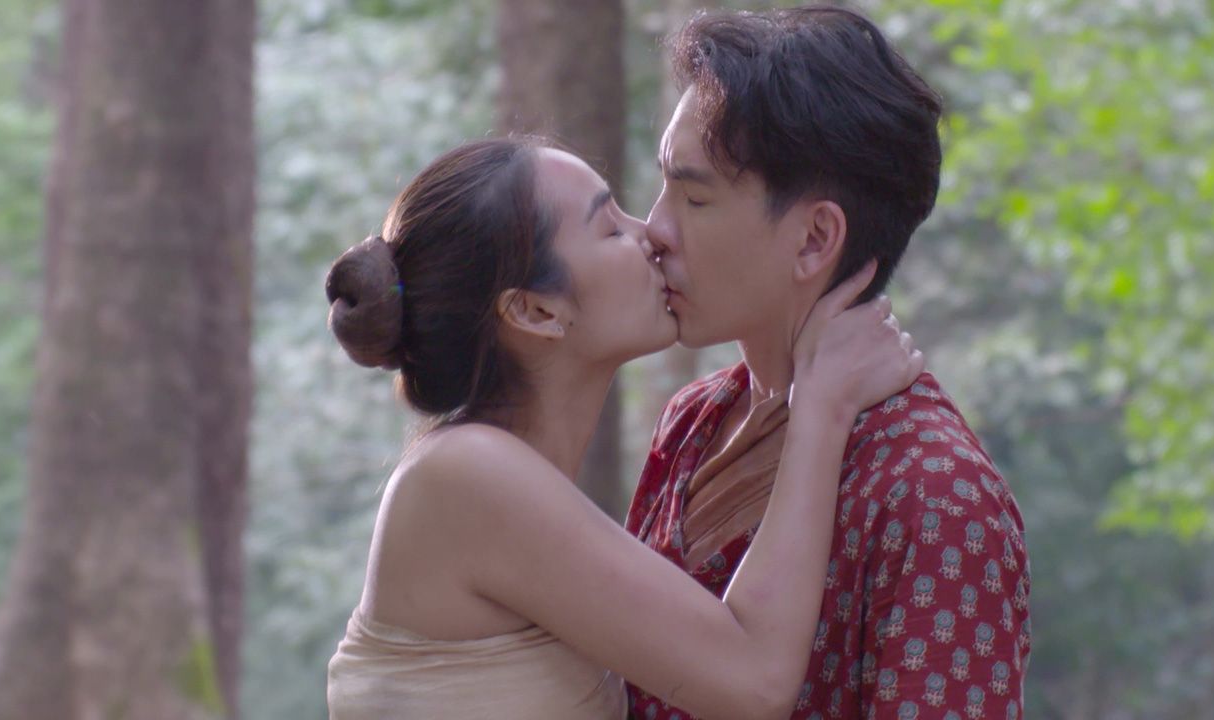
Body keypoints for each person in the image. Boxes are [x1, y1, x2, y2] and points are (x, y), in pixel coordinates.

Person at [323, 136, 923, 720]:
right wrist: (821, 403)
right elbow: (755, 681)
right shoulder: (466, 473)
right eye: (610, 228)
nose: (652, 235)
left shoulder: (501, 476)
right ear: (536, 311)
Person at [625, 7, 1031, 719]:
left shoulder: (938, 495)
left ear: (815, 239)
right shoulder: (692, 421)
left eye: (694, 197)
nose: (654, 230)